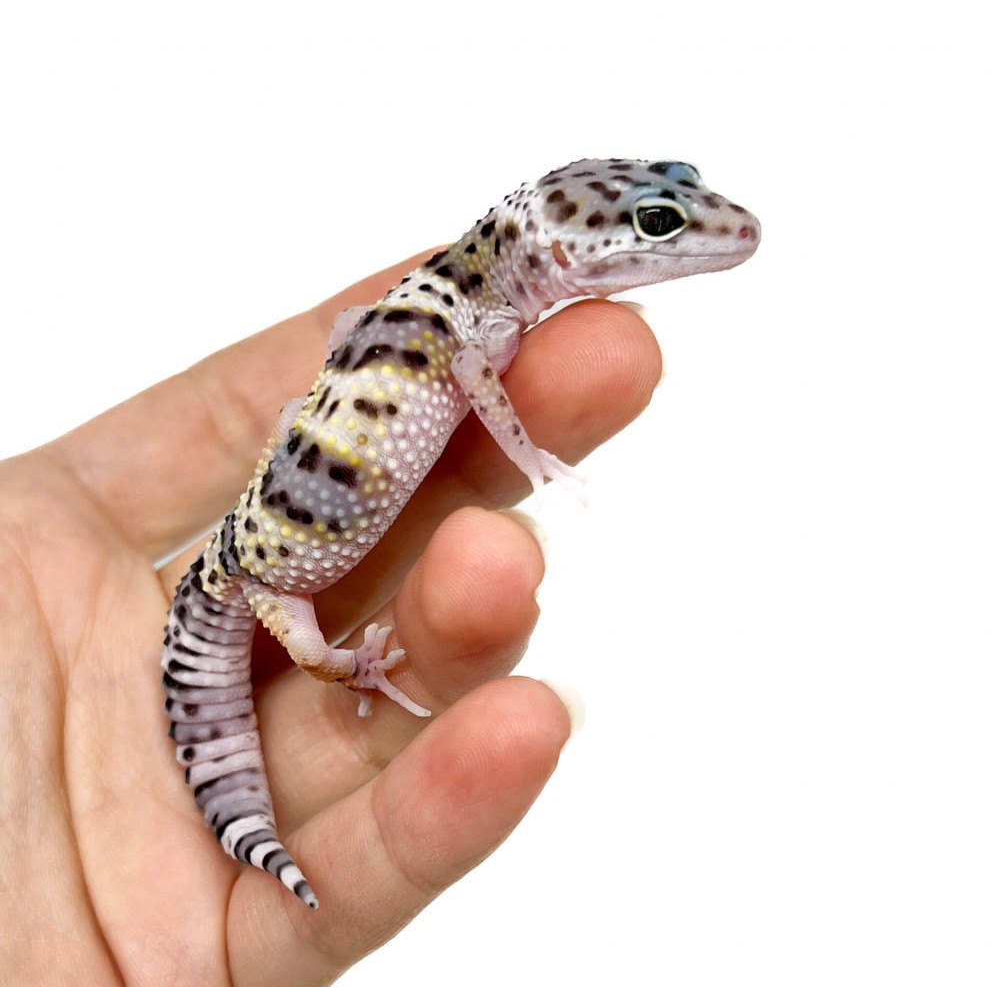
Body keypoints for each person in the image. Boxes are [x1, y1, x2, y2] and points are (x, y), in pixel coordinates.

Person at [0, 250, 660, 984]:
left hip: (285, 508)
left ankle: (257, 823)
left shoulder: (453, 314)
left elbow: (352, 330)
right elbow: (382, 348)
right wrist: (355, 669)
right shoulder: (466, 320)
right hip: (263, 564)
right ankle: (262, 816)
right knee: (319, 652)